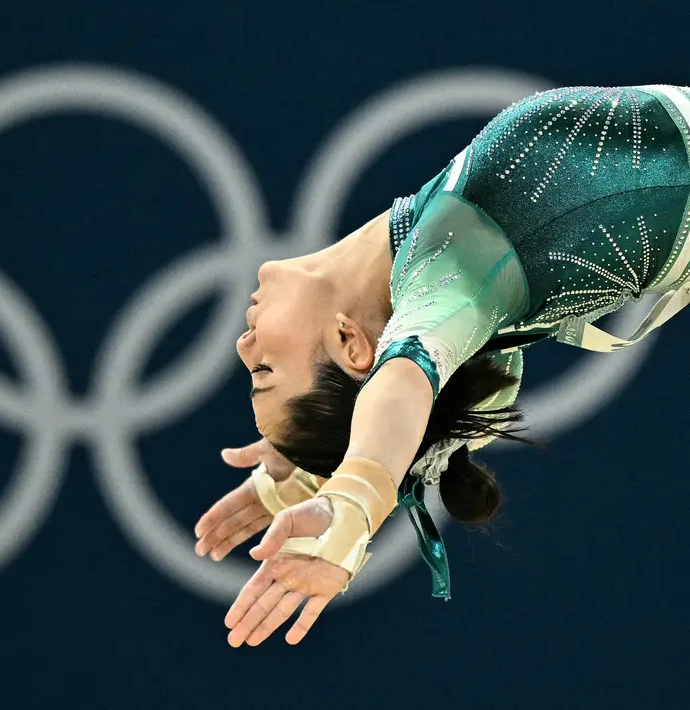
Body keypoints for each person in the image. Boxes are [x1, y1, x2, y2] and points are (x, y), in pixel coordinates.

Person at [192, 85, 690, 647]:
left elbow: (416, 402)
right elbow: (403, 382)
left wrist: (308, 470)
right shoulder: (450, 277)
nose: (241, 348)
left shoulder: (435, 267)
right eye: (263, 373)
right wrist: (352, 501)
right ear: (351, 345)